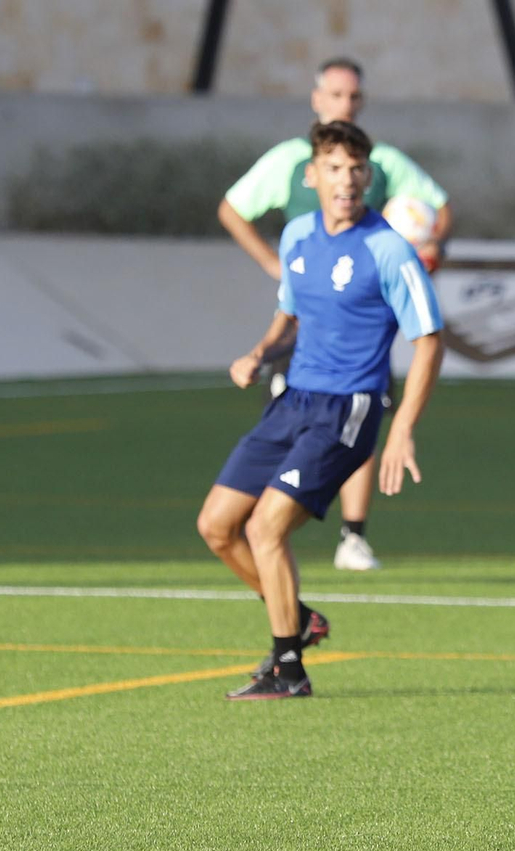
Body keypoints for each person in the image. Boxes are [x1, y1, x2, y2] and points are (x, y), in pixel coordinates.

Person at [197, 120, 444, 700]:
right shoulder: (298, 235)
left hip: (348, 412)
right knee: (216, 527)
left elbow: (429, 338)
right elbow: (291, 314)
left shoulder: (388, 249)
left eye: (357, 168)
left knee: (265, 527)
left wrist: (402, 426)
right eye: (334, 167)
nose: (347, 179)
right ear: (312, 176)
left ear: (368, 177)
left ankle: (289, 668)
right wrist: (260, 352)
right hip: (292, 402)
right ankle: (298, 619)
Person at [218, 56, 453, 571]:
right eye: (336, 95)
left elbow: (437, 207)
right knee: (289, 435)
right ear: (316, 98)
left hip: (362, 320)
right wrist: (271, 264)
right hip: (305, 320)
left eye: (353, 97)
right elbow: (231, 207)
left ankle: (351, 534)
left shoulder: (385, 162)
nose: (344, 104)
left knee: (357, 414)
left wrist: (427, 255)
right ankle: (280, 537)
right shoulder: (287, 162)